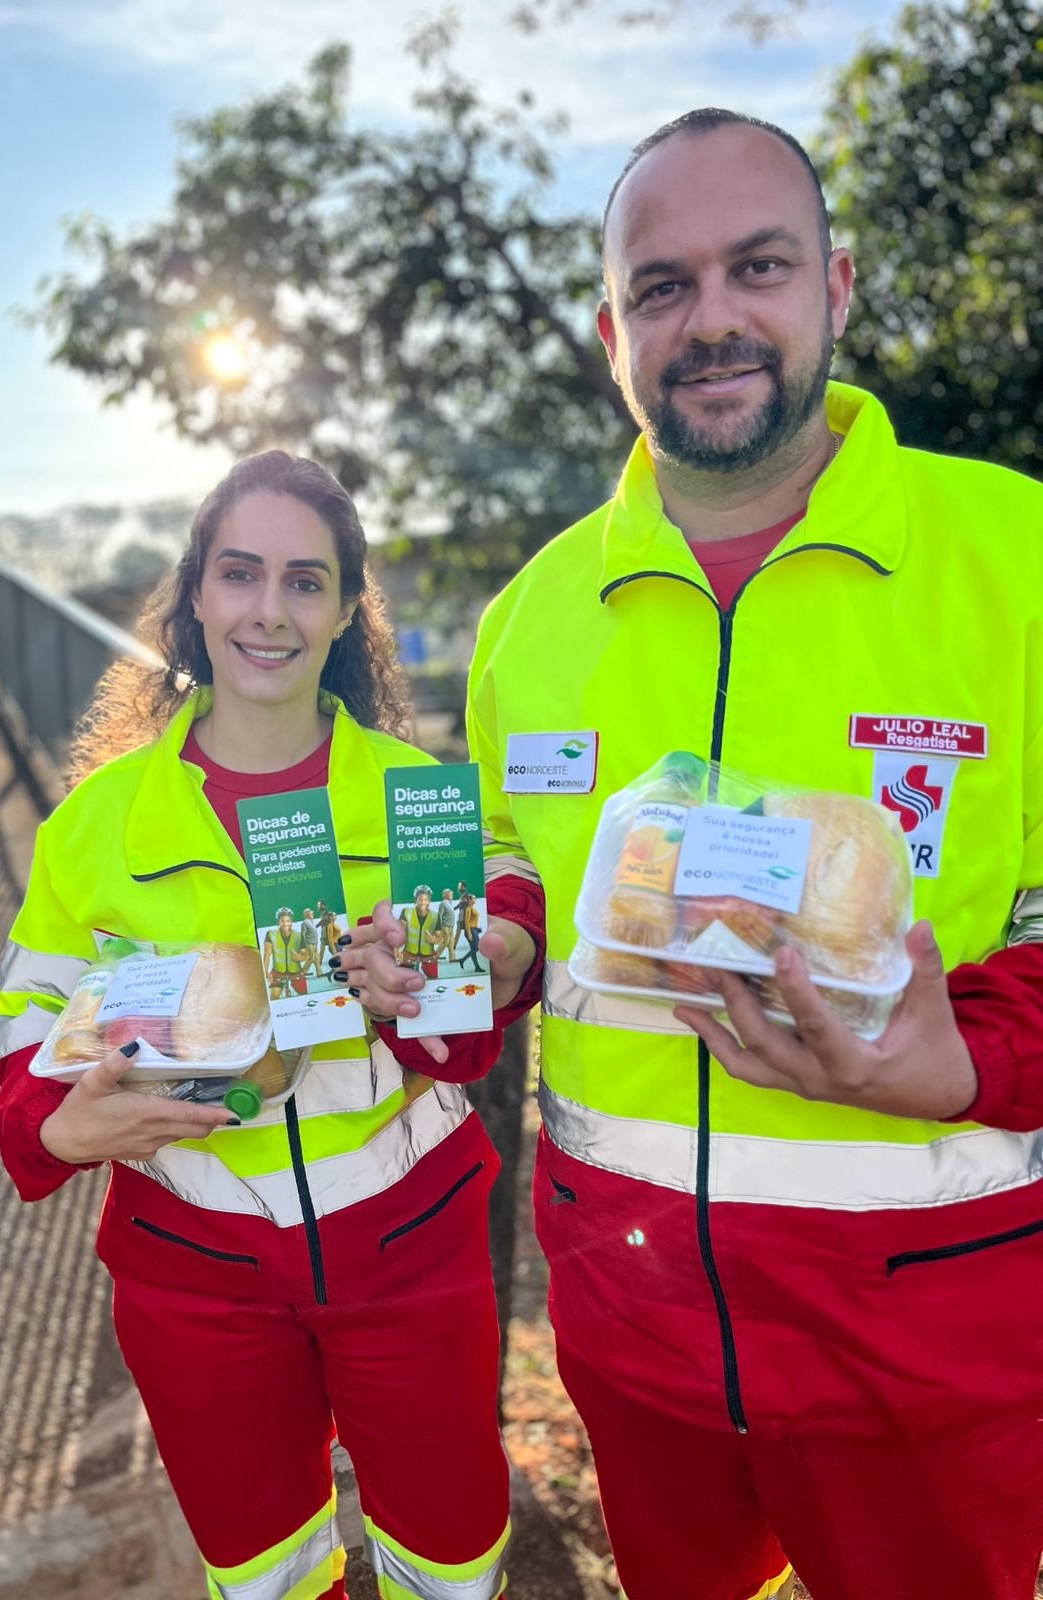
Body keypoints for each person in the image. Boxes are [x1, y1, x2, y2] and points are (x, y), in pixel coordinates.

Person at [345, 109, 1043, 1600]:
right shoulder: (533, 619)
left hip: (926, 1350)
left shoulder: (1018, 562)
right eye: (662, 286)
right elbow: (528, 868)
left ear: (838, 288)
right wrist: (487, 948)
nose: (711, 318)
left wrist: (972, 1058)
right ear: (612, 333)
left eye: (759, 267)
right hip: (634, 1333)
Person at [0, 452, 513, 1600]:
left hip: (410, 1247)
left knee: (455, 1556)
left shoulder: (413, 791)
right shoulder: (95, 823)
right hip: (191, 1266)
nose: (268, 610)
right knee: (267, 1572)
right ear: (193, 598)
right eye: (239, 575)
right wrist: (54, 1128)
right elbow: (28, 1037)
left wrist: (414, 991)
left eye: (304, 581)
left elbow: (466, 1046)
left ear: (342, 612)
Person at [265, 905, 310, 997]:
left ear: (291, 922)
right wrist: (265, 971)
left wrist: (300, 958)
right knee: (274, 997)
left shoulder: (298, 935)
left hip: (296, 973)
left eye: (288, 921)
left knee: (305, 997)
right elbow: (267, 953)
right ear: (278, 922)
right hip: (278, 973)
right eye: (282, 921)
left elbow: (306, 955)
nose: (285, 924)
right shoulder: (270, 934)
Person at [399, 885, 440, 970]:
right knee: (404, 978)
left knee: (433, 977)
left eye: (426, 900)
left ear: (429, 901)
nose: (423, 902)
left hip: (428, 956)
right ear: (415, 900)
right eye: (420, 899)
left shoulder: (435, 916)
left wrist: (434, 940)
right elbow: (399, 932)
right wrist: (397, 951)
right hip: (409, 954)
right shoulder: (406, 912)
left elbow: (440, 936)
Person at [458, 893, 485, 974]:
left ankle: (462, 960)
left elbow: (473, 920)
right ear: (469, 900)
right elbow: (466, 922)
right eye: (473, 898)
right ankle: (477, 967)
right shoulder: (468, 909)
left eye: (475, 898)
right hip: (471, 930)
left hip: (474, 930)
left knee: (476, 948)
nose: (475, 900)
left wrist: (477, 929)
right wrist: (469, 933)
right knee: (474, 949)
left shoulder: (472, 908)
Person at [436, 887, 458, 964]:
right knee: (446, 941)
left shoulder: (450, 903)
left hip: (451, 925)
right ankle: (435, 955)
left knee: (451, 941)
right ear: (445, 895)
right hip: (445, 926)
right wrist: (440, 927)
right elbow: (440, 915)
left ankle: (452, 958)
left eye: (452, 894)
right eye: (450, 894)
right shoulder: (443, 903)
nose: (452, 895)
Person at [300, 906, 324, 977]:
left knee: (316, 958)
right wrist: (303, 945)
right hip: (309, 943)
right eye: (311, 913)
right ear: (307, 914)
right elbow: (303, 934)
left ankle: (319, 973)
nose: (312, 914)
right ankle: (301, 973)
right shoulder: (305, 923)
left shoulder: (311, 922)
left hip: (314, 942)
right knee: (311, 958)